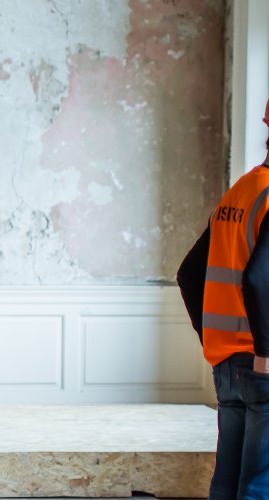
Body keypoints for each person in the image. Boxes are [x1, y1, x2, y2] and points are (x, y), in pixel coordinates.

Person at [177, 100, 269, 500]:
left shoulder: (243, 190)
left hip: (228, 361)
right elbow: (259, 279)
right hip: (260, 363)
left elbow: (188, 273)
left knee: (227, 481)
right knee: (259, 486)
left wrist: (213, 340)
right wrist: (265, 354)